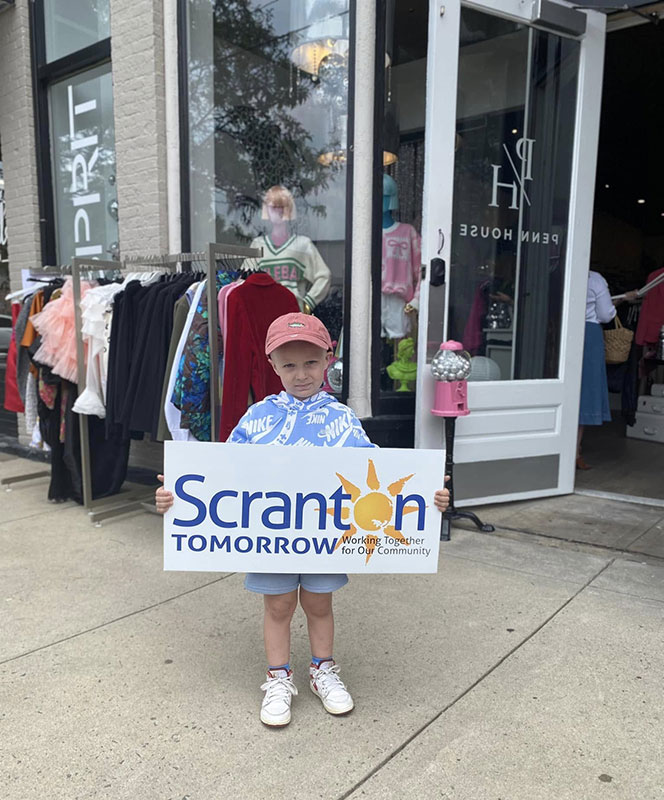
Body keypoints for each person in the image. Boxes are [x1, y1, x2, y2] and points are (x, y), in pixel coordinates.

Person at [155, 312, 450, 727]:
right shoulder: (256, 418)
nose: (301, 374)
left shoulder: (343, 420)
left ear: (328, 359)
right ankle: (278, 677)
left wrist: (425, 495)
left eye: (311, 362)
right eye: (289, 364)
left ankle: (322, 669)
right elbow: (221, 473)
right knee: (278, 605)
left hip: (324, 539)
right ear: (272, 364)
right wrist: (179, 497)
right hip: (271, 535)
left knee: (318, 602)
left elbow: (380, 476)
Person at [577, 271, 638, 469]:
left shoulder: (558, 271)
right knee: (585, 393)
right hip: (589, 335)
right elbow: (605, 314)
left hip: (562, 329)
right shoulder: (595, 280)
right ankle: (575, 451)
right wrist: (622, 300)